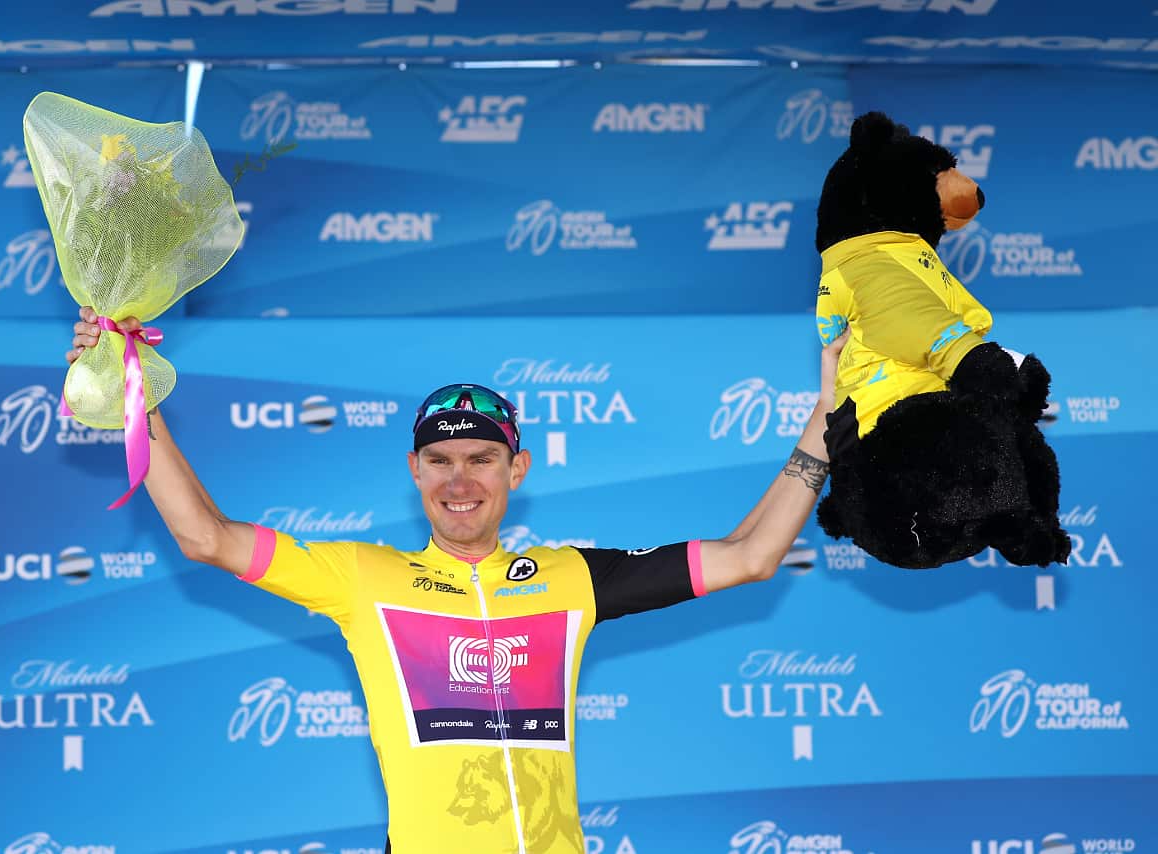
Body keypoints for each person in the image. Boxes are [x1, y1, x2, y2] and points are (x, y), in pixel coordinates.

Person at [67, 306, 847, 854]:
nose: (459, 480)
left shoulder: (571, 577)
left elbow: (751, 555)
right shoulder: (364, 577)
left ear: (517, 470)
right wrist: (134, 394)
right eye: (439, 461)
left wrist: (825, 412)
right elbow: (205, 536)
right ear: (414, 470)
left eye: (481, 459)